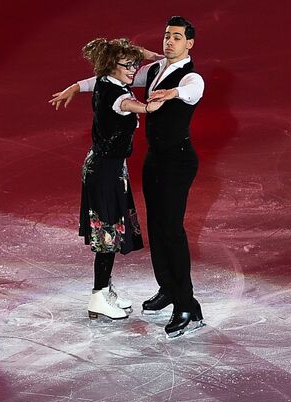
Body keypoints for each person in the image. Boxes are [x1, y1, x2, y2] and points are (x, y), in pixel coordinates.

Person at [51, 16, 205, 338]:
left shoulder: (192, 77)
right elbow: (107, 80)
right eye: (166, 36)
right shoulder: (153, 70)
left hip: (178, 162)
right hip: (154, 161)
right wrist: (76, 86)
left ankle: (187, 305)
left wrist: (171, 93)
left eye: (177, 37)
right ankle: (167, 288)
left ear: (189, 43)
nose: (169, 41)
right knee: (156, 228)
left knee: (172, 230)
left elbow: (192, 92)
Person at [75, 38, 164, 321]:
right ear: (112, 66)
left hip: (107, 167)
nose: (134, 70)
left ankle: (104, 289)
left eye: (134, 64)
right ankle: (98, 296)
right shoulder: (118, 96)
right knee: (107, 236)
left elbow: (95, 80)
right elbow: (137, 106)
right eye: (128, 65)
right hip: (104, 172)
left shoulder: (105, 81)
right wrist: (163, 99)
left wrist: (145, 55)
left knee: (109, 234)